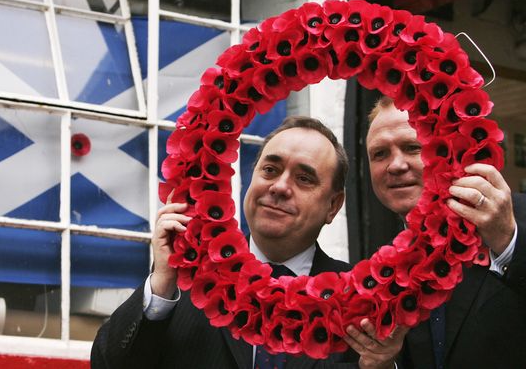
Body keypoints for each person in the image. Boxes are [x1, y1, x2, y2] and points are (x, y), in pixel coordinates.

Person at [91, 116, 399, 369]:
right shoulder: (185, 284)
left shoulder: (359, 302)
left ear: (333, 206)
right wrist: (160, 285)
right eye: (270, 169)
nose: (279, 187)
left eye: (304, 178)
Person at [359, 97, 526, 368]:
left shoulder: (515, 219)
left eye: (411, 148)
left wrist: (508, 243)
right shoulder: (387, 266)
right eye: (380, 154)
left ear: (444, 152)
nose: (395, 165)